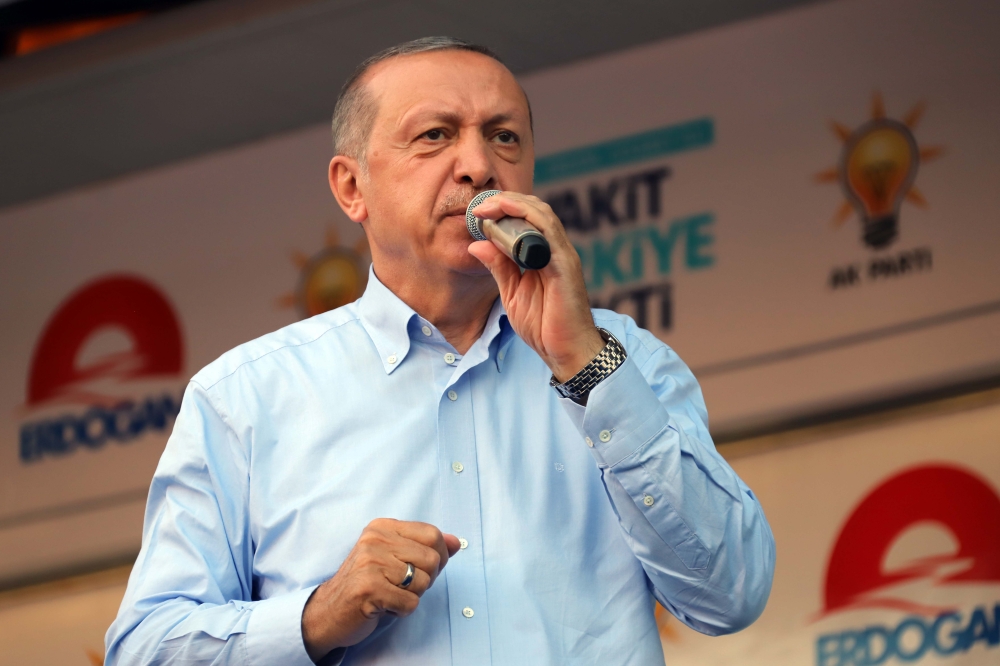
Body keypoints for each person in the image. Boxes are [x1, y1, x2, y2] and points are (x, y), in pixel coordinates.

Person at [105, 36, 775, 665]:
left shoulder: (624, 360)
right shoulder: (245, 399)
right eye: (436, 135)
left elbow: (732, 594)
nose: (480, 165)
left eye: (504, 137)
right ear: (351, 187)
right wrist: (315, 617)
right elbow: (142, 646)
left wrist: (586, 369)